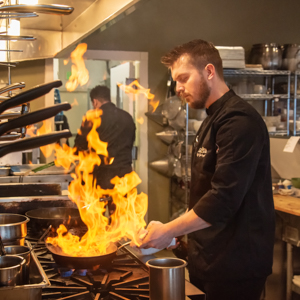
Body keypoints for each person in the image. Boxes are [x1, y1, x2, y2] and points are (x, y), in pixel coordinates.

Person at [137, 39, 275, 300]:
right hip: (209, 257)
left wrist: (169, 230)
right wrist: (175, 233)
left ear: (209, 72)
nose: (178, 88)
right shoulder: (212, 119)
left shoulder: (239, 122)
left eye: (184, 78)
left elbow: (223, 199)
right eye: (176, 81)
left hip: (235, 265)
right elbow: (203, 193)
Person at [74, 85, 136, 189]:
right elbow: (130, 142)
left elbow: (79, 146)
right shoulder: (127, 117)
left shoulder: (92, 117)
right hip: (126, 174)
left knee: (98, 205)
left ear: (95, 102)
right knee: (125, 205)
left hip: (103, 176)